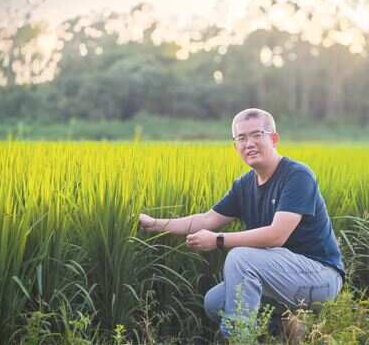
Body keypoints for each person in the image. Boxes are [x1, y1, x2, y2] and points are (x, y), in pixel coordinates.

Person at [139, 108, 344, 339]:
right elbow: (207, 219)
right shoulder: (244, 185)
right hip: (281, 278)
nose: (249, 144)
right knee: (215, 301)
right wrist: (154, 224)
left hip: (321, 278)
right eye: (242, 138)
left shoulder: (297, 175)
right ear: (235, 145)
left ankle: (239, 338)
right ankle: (286, 328)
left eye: (257, 135)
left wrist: (218, 240)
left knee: (240, 258)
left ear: (274, 138)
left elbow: (277, 235)